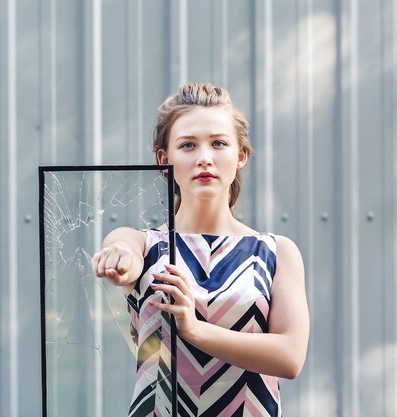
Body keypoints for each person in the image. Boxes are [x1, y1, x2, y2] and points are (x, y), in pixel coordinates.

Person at [91, 83, 309, 417]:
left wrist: (194, 329)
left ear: (240, 156)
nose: (204, 158)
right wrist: (118, 257)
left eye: (218, 143)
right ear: (165, 159)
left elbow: (291, 357)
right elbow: (124, 252)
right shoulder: (142, 243)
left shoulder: (277, 252)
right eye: (188, 145)